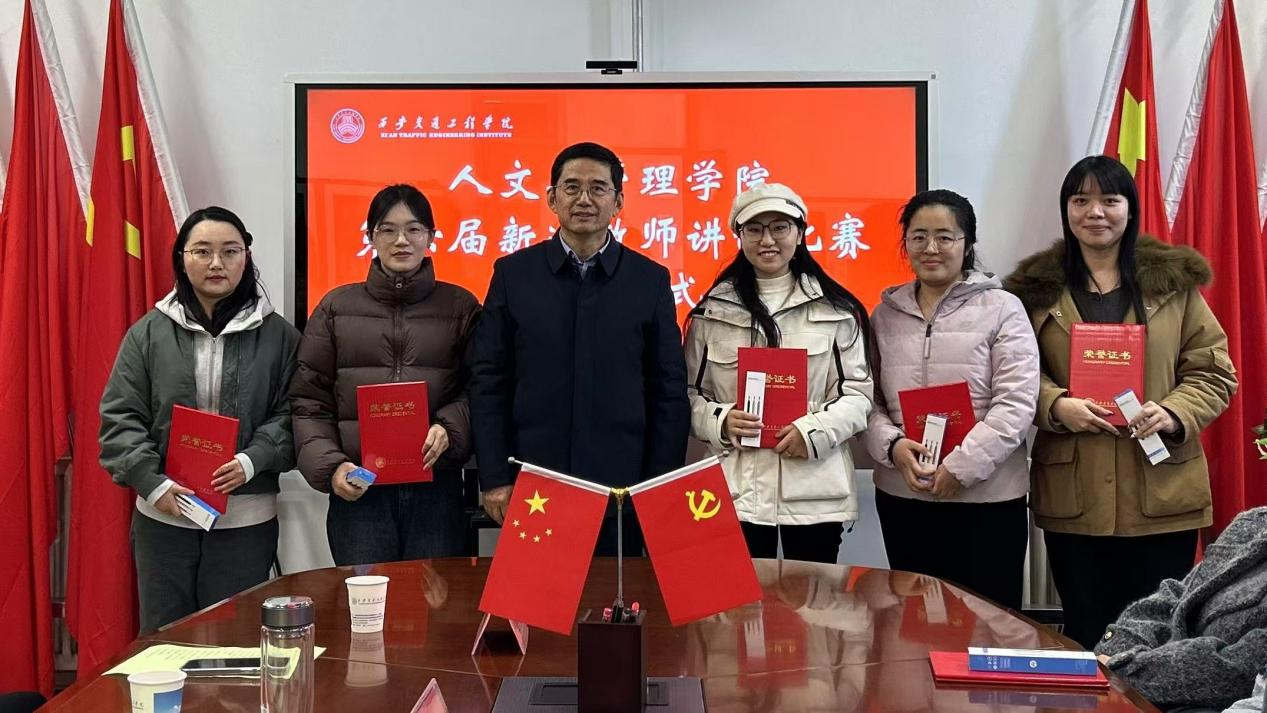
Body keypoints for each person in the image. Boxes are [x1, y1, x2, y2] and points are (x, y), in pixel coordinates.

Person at [1004, 155, 1237, 649]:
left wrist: (1174, 411)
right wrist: (1055, 404)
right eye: (1081, 200)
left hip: (1162, 490)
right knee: (1086, 627)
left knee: (1156, 636)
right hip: (1075, 492)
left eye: (1109, 200)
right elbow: (1012, 374)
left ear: (1130, 209)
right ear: (1066, 210)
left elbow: (1214, 371)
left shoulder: (1173, 286)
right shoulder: (1034, 294)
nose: (1095, 212)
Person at [470, 141, 690, 556]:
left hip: (622, 488)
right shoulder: (514, 275)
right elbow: (488, 381)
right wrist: (495, 477)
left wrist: (659, 484)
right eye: (571, 187)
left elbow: (668, 391)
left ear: (618, 201)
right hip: (535, 483)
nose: (584, 199)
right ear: (551, 198)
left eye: (598, 188)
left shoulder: (649, 280)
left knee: (617, 597)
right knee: (536, 594)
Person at [98, 206, 300, 632]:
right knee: (164, 638)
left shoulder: (280, 336)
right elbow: (120, 417)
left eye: (230, 251)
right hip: (164, 517)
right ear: (181, 258)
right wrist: (153, 484)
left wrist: (252, 460)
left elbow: (295, 412)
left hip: (245, 519)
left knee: (234, 640)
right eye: (202, 251)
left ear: (246, 257)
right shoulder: (148, 334)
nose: (216, 263)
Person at [864, 189, 1039, 610]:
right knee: (913, 625)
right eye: (918, 237)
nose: (931, 248)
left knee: (989, 623)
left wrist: (962, 468)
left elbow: (1016, 401)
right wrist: (893, 447)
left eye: (945, 237)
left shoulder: (1003, 309)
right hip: (904, 495)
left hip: (987, 499)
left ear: (967, 244)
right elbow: (866, 399)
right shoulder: (884, 316)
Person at [683, 182, 873, 564]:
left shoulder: (836, 310)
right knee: (742, 599)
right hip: (736, 491)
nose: (767, 240)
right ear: (739, 237)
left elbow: (858, 395)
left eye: (780, 227)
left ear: (800, 233)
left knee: (812, 598)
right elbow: (688, 394)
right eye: (754, 229)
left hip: (814, 491)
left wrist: (813, 432)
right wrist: (720, 421)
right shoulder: (711, 312)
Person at [291, 184, 480, 565]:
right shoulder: (335, 308)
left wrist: (450, 426)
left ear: (431, 236)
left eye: (413, 229)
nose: (401, 240)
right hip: (360, 488)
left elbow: (481, 388)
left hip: (436, 488)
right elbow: (308, 401)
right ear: (371, 237)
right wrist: (332, 466)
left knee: (435, 600)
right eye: (387, 229)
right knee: (366, 599)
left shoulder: (461, 307)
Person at [1095, 507, 1267, 711]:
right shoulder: (1255, 522)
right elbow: (1175, 594)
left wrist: (1126, 669)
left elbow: (1242, 667)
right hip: (1140, 686)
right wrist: (1117, 652)